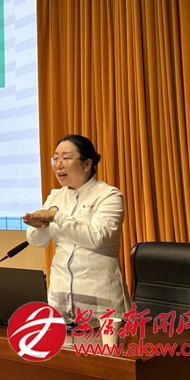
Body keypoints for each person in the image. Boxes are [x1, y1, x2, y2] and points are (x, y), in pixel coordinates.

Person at [23, 134, 130, 324]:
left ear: (87, 164)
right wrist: (40, 227)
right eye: (55, 158)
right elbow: (37, 241)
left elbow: (96, 237)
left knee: (103, 344)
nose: (58, 165)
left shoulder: (108, 195)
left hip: (99, 299)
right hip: (60, 297)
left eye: (66, 158)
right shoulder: (55, 196)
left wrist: (56, 217)